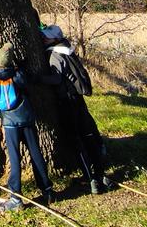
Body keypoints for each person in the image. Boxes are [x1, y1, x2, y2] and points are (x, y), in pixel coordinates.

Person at [0, 42, 54, 212]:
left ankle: (16, 198)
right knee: (35, 153)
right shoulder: (17, 74)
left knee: (15, 159)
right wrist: (20, 67)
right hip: (25, 118)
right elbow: (25, 82)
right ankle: (47, 190)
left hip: (9, 122)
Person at [39, 24, 108, 194]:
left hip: (68, 102)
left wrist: (37, 79)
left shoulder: (55, 54)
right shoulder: (67, 49)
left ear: (55, 38)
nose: (43, 38)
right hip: (78, 99)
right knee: (88, 136)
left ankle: (90, 179)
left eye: (46, 36)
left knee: (76, 139)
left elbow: (56, 79)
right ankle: (101, 174)